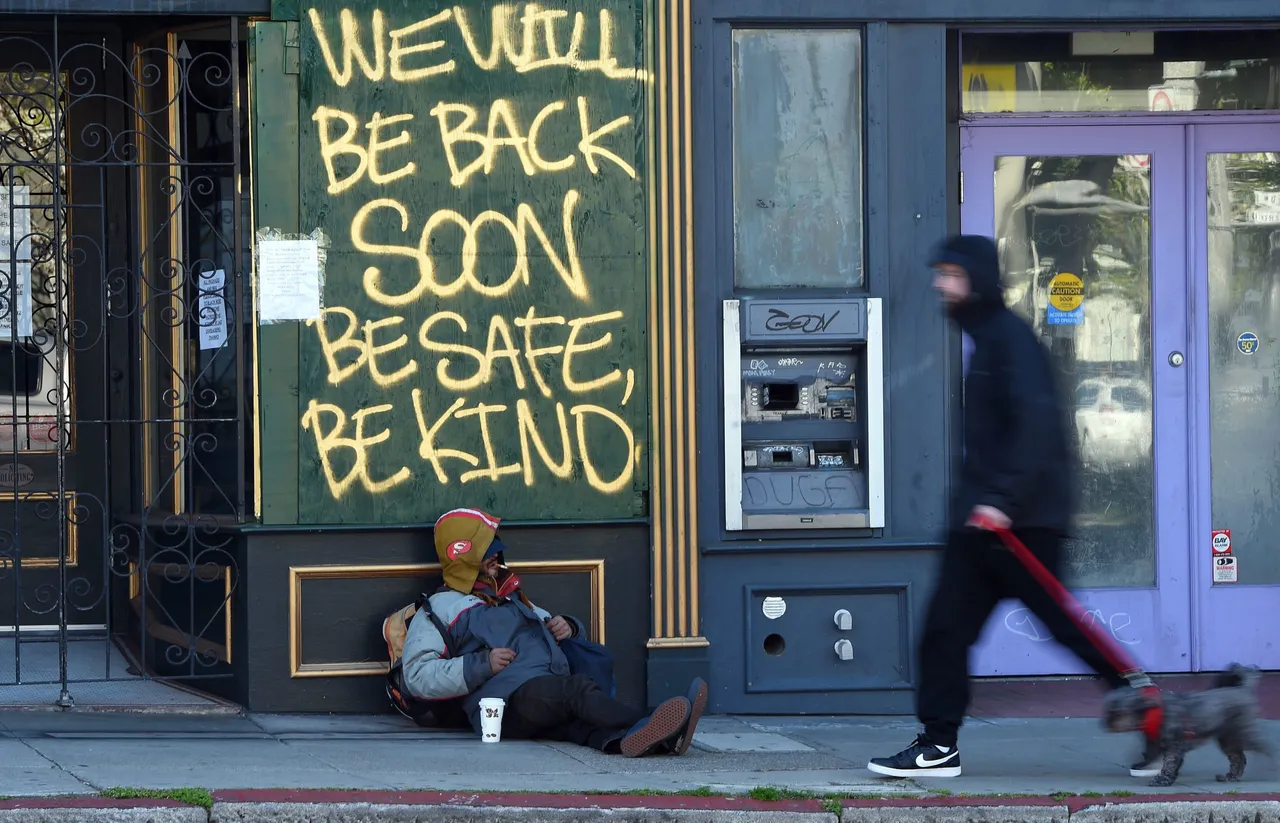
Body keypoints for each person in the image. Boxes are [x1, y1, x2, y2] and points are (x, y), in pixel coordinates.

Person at [867, 235, 1163, 779]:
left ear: (976, 279)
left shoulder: (1011, 341)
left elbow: (1037, 425)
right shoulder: (987, 341)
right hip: (982, 525)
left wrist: (1002, 500)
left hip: (1018, 524)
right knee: (944, 631)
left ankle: (1155, 718)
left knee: (1066, 629)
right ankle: (939, 744)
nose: (941, 284)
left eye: (951, 274)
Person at [401, 507, 708, 756]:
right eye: (485, 551)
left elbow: (551, 625)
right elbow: (416, 676)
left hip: (541, 687)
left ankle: (655, 742)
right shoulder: (438, 609)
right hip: (506, 699)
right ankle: (652, 720)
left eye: (495, 548)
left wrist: (569, 626)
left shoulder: (508, 594)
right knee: (575, 692)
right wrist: (482, 664)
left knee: (578, 724)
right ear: (462, 553)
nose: (496, 555)